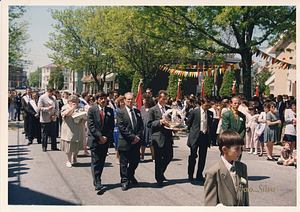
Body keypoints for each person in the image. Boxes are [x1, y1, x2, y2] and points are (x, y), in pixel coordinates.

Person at [204, 130, 249, 206]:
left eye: (241, 148)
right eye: (236, 148)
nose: (240, 152)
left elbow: (245, 197)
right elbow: (210, 204)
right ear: (224, 149)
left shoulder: (242, 168)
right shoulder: (213, 172)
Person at [87, 91, 114, 191]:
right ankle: (97, 181)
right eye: (100, 98)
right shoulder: (92, 110)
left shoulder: (109, 110)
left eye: (104, 98)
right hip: (95, 139)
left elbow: (110, 126)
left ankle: (98, 177)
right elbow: (91, 126)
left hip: (105, 140)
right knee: (95, 161)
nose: (103, 100)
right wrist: (99, 137)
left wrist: (105, 137)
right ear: (97, 100)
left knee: (102, 161)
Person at [116, 92, 143, 191]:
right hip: (125, 141)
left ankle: (130, 174)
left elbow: (141, 126)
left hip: (136, 142)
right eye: (128, 99)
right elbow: (122, 127)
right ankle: (124, 181)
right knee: (123, 163)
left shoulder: (137, 112)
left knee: (135, 161)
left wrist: (137, 137)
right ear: (124, 100)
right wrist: (132, 138)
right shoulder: (120, 112)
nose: (130, 101)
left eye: (132, 99)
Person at [147, 90, 174, 187]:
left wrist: (174, 127)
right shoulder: (153, 110)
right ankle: (159, 178)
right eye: (163, 99)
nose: (165, 101)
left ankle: (161, 171)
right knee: (158, 159)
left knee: (169, 156)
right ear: (158, 98)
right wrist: (160, 122)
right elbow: (149, 124)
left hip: (167, 136)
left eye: (166, 99)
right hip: (158, 137)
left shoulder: (168, 109)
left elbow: (172, 120)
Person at [186, 98, 213, 181]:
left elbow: (210, 125)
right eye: (206, 105)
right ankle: (190, 174)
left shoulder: (210, 113)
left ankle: (199, 174)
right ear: (202, 104)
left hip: (204, 137)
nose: (207, 107)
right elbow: (188, 123)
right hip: (195, 136)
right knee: (193, 156)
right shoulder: (194, 112)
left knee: (203, 157)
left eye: (209, 106)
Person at [61, 95, 86, 168]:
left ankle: (74, 158)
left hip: (78, 128)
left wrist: (83, 119)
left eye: (76, 102)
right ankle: (68, 160)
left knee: (77, 145)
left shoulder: (80, 107)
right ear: (69, 102)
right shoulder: (65, 107)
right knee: (69, 145)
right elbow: (66, 114)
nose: (75, 103)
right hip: (69, 128)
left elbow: (84, 116)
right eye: (73, 102)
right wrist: (72, 108)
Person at [38, 86, 59, 152]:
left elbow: (56, 107)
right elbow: (40, 108)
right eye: (52, 93)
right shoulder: (42, 97)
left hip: (53, 118)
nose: (52, 95)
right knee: (45, 134)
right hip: (45, 118)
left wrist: (55, 115)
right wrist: (47, 109)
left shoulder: (53, 98)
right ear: (48, 92)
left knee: (53, 133)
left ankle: (54, 146)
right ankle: (44, 146)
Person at [140, 93, 155, 162]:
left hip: (150, 128)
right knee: (143, 143)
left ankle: (153, 157)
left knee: (151, 143)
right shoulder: (142, 108)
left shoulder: (152, 108)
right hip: (143, 127)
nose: (142, 100)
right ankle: (142, 156)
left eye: (143, 99)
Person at [113, 95, 125, 164]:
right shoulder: (116, 110)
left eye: (123, 102)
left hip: (125, 129)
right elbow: (116, 120)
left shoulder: (126, 110)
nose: (123, 103)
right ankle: (117, 158)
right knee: (117, 144)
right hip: (117, 129)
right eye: (121, 102)